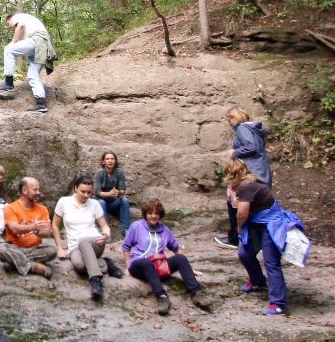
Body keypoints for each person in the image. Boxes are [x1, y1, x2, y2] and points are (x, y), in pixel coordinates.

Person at [224, 159, 304, 316]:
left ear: (231, 174)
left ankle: (278, 302)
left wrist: (239, 228)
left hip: (271, 225)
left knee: (271, 262)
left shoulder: (246, 187)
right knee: (244, 253)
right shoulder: (246, 183)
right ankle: (257, 281)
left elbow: (241, 213)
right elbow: (235, 205)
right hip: (257, 223)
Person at [120, 199, 212, 315]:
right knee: (145, 262)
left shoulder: (164, 230)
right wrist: (128, 265)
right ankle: (162, 297)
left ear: (160, 215)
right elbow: (126, 247)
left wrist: (188, 268)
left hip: (158, 265)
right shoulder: (136, 226)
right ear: (145, 214)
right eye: (150, 213)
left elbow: (176, 248)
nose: (153, 216)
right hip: (140, 265)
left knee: (181, 259)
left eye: (156, 213)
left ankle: (197, 293)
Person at [52, 175, 123, 301]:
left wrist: (105, 235)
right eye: (83, 191)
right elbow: (55, 225)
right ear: (75, 188)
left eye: (89, 192)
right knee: (79, 265)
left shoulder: (94, 203)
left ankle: (95, 280)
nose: (86, 195)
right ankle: (105, 263)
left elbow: (104, 226)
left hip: (94, 242)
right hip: (75, 247)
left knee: (84, 241)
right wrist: (60, 247)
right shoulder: (63, 202)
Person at [214, 108, 273, 248]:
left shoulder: (243, 128)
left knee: (234, 202)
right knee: (254, 207)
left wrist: (235, 152)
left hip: (252, 173)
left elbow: (250, 147)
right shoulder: (253, 129)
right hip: (261, 172)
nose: (229, 122)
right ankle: (254, 240)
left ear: (234, 117)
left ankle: (235, 238)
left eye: (229, 118)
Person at [0, 11, 57, 113]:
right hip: (43, 46)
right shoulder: (30, 23)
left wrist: (13, 42)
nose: (9, 26)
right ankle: (41, 104)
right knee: (33, 75)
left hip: (37, 40)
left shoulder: (18, 17)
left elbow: (21, 25)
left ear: (10, 18)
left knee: (9, 49)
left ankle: (8, 82)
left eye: (7, 23)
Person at [0, 177, 58, 279]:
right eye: (35, 190)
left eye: (38, 189)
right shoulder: (10, 208)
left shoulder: (42, 209)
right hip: (15, 248)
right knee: (2, 249)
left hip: (34, 249)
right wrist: (32, 227)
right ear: (24, 190)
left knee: (52, 251)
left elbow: (48, 232)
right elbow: (14, 229)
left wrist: (39, 233)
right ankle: (34, 267)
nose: (38, 192)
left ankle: (14, 263)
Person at [93, 151, 131, 229]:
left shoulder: (119, 172)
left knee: (124, 200)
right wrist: (108, 194)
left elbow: (122, 189)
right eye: (107, 159)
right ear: (103, 161)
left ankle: (126, 229)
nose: (110, 161)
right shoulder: (99, 173)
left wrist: (118, 192)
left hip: (114, 203)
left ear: (115, 161)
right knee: (101, 202)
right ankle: (105, 230)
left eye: (112, 159)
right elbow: (97, 192)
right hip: (101, 204)